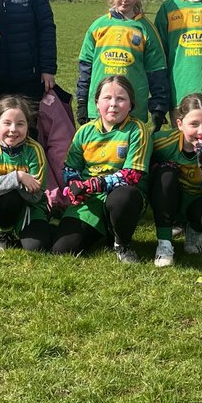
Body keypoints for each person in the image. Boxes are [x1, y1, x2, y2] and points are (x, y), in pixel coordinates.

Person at [52, 75, 150, 263]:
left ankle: (122, 243)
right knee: (62, 249)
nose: (113, 104)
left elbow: (132, 176)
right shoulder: (85, 131)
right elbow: (71, 167)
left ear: (131, 104)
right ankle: (104, 229)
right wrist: (74, 184)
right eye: (107, 98)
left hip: (123, 196)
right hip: (90, 199)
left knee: (124, 197)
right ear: (97, 103)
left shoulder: (137, 130)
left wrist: (92, 184)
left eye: (121, 99)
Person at [147, 93, 202, 267]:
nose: (201, 131)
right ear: (180, 124)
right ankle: (164, 243)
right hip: (169, 200)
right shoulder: (161, 142)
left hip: (198, 202)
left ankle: (194, 229)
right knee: (165, 173)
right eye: (194, 124)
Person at [76, 0, 169, 129]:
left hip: (133, 112)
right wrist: (82, 103)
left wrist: (158, 107)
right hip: (99, 110)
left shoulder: (146, 29)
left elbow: (157, 72)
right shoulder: (98, 27)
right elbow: (85, 69)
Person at [0, 95, 53, 252]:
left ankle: (40, 222)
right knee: (8, 198)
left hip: (29, 207)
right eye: (7, 123)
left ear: (27, 126)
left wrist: (5, 185)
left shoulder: (34, 150)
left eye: (20, 124)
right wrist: (17, 177)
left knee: (37, 246)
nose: (13, 129)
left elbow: (36, 195)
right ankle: (3, 232)